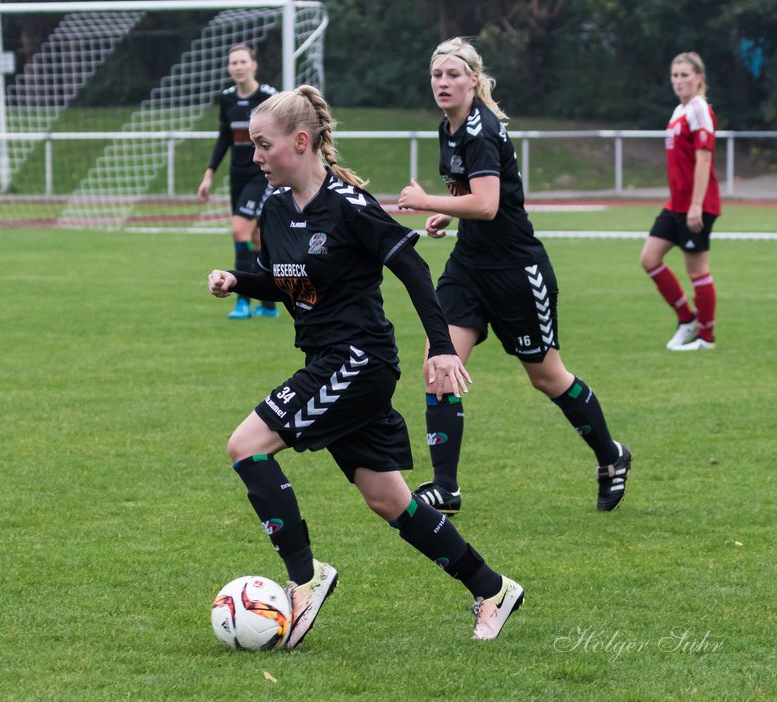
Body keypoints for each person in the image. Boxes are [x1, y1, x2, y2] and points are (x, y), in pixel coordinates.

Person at [207, 85, 525, 645]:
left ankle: (305, 579)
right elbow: (290, 284)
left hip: (358, 359)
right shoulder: (277, 209)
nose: (255, 156)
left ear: (300, 142)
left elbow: (416, 271)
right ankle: (492, 588)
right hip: (329, 359)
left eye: (263, 145)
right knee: (388, 499)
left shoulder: (349, 206)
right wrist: (240, 281)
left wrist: (444, 347)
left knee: (246, 446)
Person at [396, 37, 631, 515]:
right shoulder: (450, 127)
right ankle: (446, 487)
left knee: (547, 377)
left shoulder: (480, 129)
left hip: (516, 272)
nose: (443, 83)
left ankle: (612, 456)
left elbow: (487, 204)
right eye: (437, 75)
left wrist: (428, 203)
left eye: (453, 75)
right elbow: (471, 198)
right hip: (468, 267)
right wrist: (447, 214)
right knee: (438, 362)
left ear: (473, 80)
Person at [638, 51, 721, 351]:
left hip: (695, 205)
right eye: (675, 75)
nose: (679, 80)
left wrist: (696, 205)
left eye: (685, 74)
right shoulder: (679, 111)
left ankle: (706, 337)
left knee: (697, 270)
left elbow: (703, 159)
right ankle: (687, 319)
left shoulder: (700, 109)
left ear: (699, 78)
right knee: (649, 259)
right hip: (676, 204)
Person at [198, 43, 278, 320]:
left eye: (243, 61)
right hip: (238, 178)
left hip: (262, 176)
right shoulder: (227, 99)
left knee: (238, 231)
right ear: (229, 68)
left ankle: (243, 299)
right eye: (233, 63)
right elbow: (224, 138)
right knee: (255, 238)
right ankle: (268, 303)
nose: (238, 67)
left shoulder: (269, 98)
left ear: (253, 65)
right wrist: (209, 173)